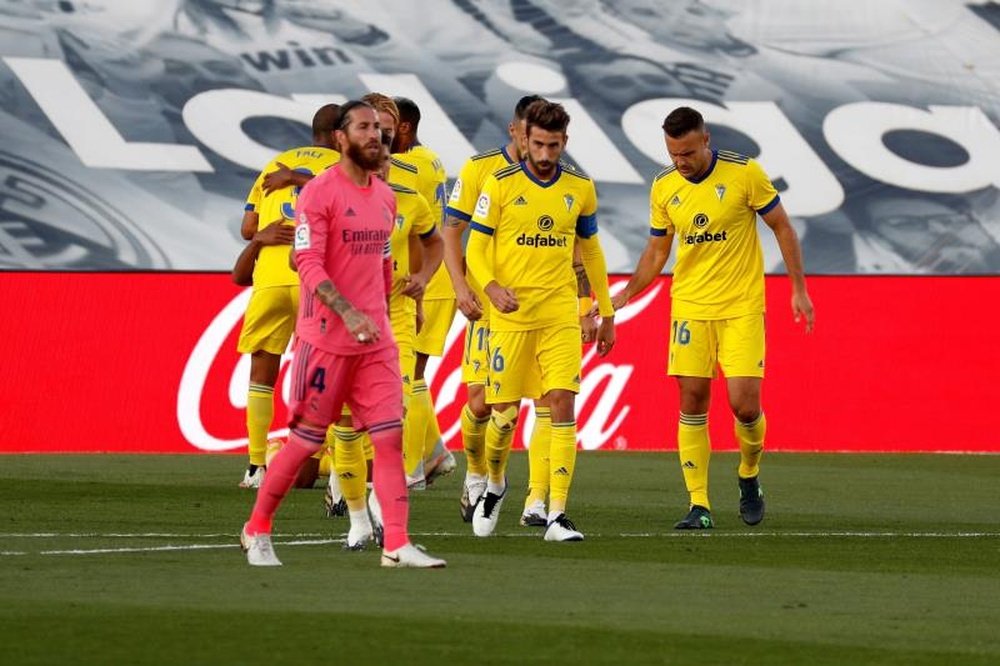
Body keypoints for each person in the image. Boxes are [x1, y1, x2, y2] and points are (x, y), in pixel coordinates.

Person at [240, 100, 446, 568]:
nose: (377, 136)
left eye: (380, 129)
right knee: (307, 441)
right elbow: (306, 262)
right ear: (341, 138)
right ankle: (256, 528)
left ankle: (396, 542)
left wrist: (408, 302)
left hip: (376, 339)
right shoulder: (319, 194)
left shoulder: (387, 196)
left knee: (389, 438)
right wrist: (347, 311)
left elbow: (381, 261)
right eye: (365, 128)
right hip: (327, 339)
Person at [612, 106, 815, 529]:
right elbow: (656, 252)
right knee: (691, 400)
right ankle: (699, 505)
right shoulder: (665, 186)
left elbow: (782, 227)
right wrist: (627, 292)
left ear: (705, 140)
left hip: (741, 306)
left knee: (743, 406)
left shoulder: (745, 173)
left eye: (687, 153)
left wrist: (798, 288)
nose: (680, 163)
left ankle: (748, 474)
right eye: (673, 154)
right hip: (690, 306)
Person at [465, 99, 616, 542]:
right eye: (538, 144)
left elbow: (590, 251)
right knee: (504, 415)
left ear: (564, 142)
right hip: (511, 316)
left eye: (554, 145)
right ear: (524, 140)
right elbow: (475, 247)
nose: (546, 154)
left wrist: (603, 311)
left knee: (562, 403)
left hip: (558, 313)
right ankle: (494, 485)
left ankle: (557, 515)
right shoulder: (501, 183)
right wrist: (491, 287)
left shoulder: (580, 187)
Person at [331, 134, 444, 550]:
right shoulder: (330, 196)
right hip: (343, 317)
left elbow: (432, 243)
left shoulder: (409, 200)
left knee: (391, 411)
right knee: (345, 424)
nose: (379, 170)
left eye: (385, 163)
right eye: (371, 162)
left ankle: (382, 505)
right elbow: (301, 256)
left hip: (394, 314)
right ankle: (358, 519)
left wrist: (422, 281)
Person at [235, 103, 340, 489]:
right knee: (319, 374)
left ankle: (256, 465)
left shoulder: (275, 165)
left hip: (271, 279)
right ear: (338, 135)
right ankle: (317, 461)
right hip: (315, 278)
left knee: (262, 371)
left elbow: (249, 227)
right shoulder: (340, 168)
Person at [390, 96, 456, 489]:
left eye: (384, 127)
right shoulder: (429, 158)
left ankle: (411, 468)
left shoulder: (407, 168)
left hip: (422, 279)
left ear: (403, 128)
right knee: (413, 376)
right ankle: (434, 454)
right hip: (432, 276)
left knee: (409, 377)